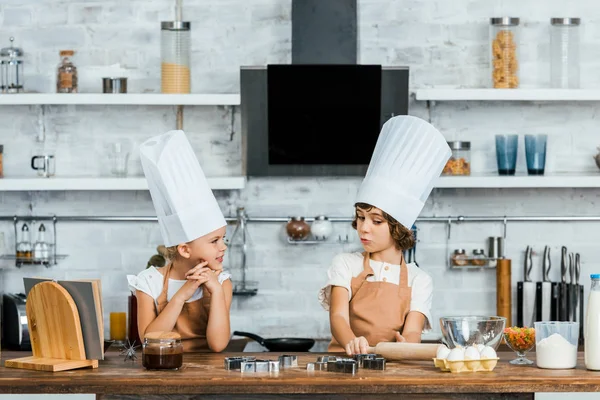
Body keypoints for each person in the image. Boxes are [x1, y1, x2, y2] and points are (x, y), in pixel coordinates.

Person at [318, 116, 451, 355]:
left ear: (398, 227)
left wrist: (407, 345)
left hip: (393, 368)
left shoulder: (419, 279)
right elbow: (337, 316)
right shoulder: (347, 264)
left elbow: (413, 330)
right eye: (360, 217)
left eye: (376, 221)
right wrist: (351, 341)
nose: (364, 228)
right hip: (344, 365)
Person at [127, 130, 232, 352]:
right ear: (184, 249)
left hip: (208, 377)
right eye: (214, 241)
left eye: (224, 238)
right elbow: (151, 341)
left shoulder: (221, 282)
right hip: (161, 369)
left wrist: (217, 292)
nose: (223, 246)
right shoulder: (148, 282)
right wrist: (183, 293)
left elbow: (218, 344)